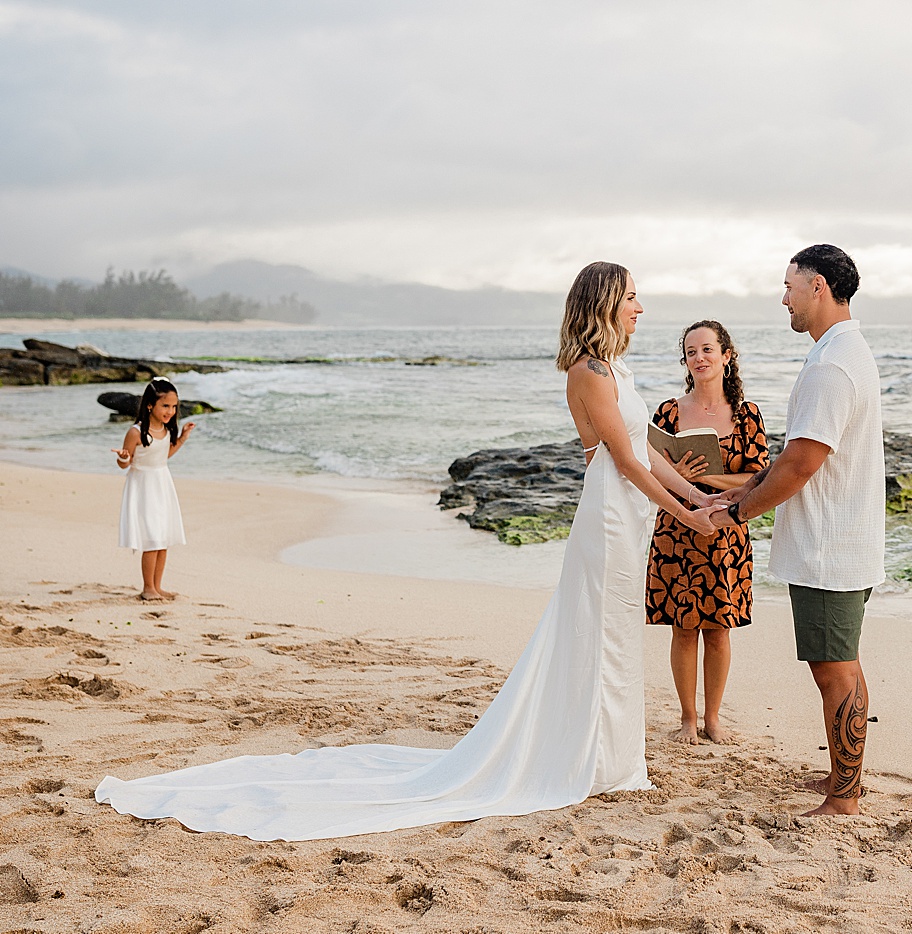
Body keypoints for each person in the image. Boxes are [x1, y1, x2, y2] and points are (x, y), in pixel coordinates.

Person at [96, 262, 720, 841]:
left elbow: (653, 453)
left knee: (614, 634)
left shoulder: (619, 372)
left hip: (628, 515)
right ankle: (593, 761)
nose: (641, 306)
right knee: (601, 636)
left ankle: (608, 757)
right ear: (607, 303)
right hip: (609, 518)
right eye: (633, 296)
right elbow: (622, 460)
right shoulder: (588, 372)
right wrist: (686, 515)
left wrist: (700, 497)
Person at [713, 244, 884, 817]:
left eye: (788, 286)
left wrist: (739, 514)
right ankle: (844, 778)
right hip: (841, 539)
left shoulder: (833, 364)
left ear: (818, 287)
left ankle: (844, 798)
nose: (782, 297)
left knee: (834, 667)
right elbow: (797, 457)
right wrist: (747, 487)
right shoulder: (840, 354)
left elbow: (804, 462)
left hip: (830, 545)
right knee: (841, 662)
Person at [647, 320, 770, 745]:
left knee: (718, 629)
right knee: (683, 628)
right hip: (678, 527)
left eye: (706, 349)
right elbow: (649, 473)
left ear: (726, 356)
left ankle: (713, 719)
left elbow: (760, 478)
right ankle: (686, 718)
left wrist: (710, 483)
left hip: (728, 532)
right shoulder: (668, 411)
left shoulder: (748, 414)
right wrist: (678, 478)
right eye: (690, 352)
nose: (698, 358)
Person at [111, 377, 195, 601]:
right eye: (165, 406)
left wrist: (183, 437)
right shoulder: (136, 432)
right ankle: (148, 588)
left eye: (174, 406)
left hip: (162, 484)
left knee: (163, 539)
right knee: (152, 538)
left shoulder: (167, 429)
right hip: (143, 487)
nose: (170, 411)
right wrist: (123, 458)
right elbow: (125, 464)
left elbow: (163, 455)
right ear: (150, 405)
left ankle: (158, 586)